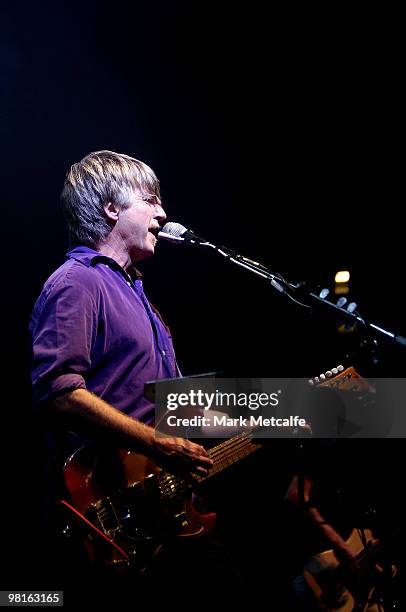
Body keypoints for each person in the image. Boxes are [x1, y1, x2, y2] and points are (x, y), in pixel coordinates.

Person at [30, 150, 239, 601]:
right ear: (112, 208)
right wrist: (157, 443)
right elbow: (57, 390)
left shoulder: (139, 294)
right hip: (120, 513)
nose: (163, 213)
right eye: (151, 199)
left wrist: (307, 408)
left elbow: (168, 406)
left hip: (167, 506)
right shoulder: (77, 282)